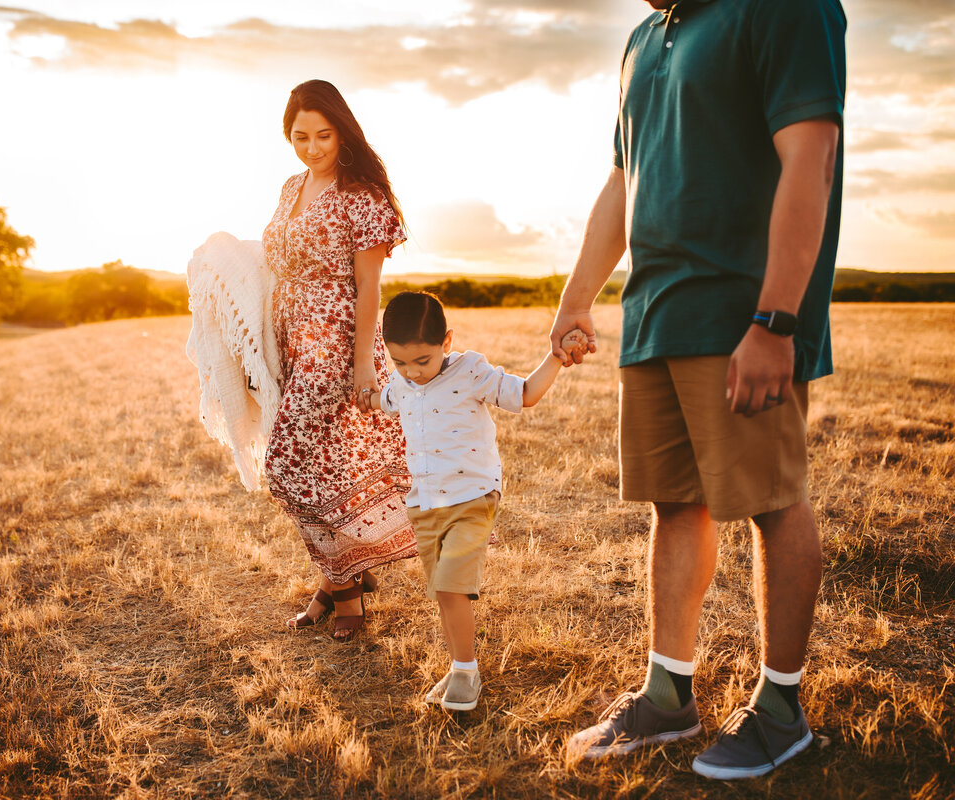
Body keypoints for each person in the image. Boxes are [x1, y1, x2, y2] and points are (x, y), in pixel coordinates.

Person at [551, 0, 846, 780]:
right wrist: (578, 296)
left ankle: (781, 710)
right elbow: (624, 180)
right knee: (676, 502)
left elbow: (811, 154)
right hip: (656, 309)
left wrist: (776, 319)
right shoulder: (643, 39)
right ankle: (666, 698)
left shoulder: (783, 10)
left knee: (772, 500)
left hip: (741, 314)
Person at [368, 291, 582, 710]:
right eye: (400, 363)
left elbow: (525, 394)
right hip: (425, 504)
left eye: (422, 361)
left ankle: (467, 671)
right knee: (444, 593)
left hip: (472, 498)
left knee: (452, 588)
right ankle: (457, 665)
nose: (412, 372)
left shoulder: (471, 371)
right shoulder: (402, 383)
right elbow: (386, 401)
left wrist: (557, 357)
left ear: (446, 342)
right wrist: (364, 395)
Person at [262, 79, 417, 642]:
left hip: (337, 344)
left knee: (290, 465)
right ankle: (337, 579)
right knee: (322, 468)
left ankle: (343, 593)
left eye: (323, 134)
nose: (311, 147)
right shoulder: (290, 187)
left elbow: (369, 291)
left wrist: (361, 365)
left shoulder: (362, 197)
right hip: (292, 343)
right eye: (299, 136)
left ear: (342, 131)